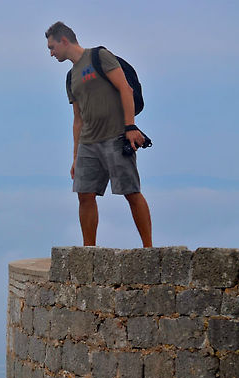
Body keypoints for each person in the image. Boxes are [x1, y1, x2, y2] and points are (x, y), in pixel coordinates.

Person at [45, 21, 152, 247]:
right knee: (84, 195)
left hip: (116, 136)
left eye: (52, 47)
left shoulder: (99, 56)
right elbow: (78, 119)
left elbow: (126, 88)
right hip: (88, 142)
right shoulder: (70, 77)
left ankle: (148, 249)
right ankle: (89, 250)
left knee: (131, 192)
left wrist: (130, 127)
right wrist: (75, 156)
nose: (51, 53)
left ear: (64, 41)